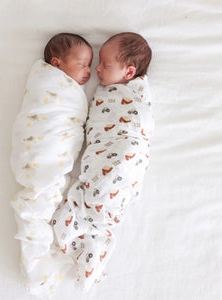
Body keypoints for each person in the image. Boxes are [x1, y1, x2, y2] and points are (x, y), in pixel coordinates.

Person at [52, 32, 155, 291]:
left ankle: (93, 243)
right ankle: (92, 247)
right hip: (106, 156)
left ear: (129, 72)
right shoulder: (108, 90)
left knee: (90, 203)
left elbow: (135, 132)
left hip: (123, 154)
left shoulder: (134, 96)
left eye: (105, 65)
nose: (97, 68)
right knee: (87, 206)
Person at [10, 33, 93, 298]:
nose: (88, 71)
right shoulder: (48, 84)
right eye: (82, 64)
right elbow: (45, 116)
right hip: (40, 156)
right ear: (56, 65)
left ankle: (42, 261)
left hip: (47, 154)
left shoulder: (62, 88)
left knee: (42, 206)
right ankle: (36, 269)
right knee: (37, 206)